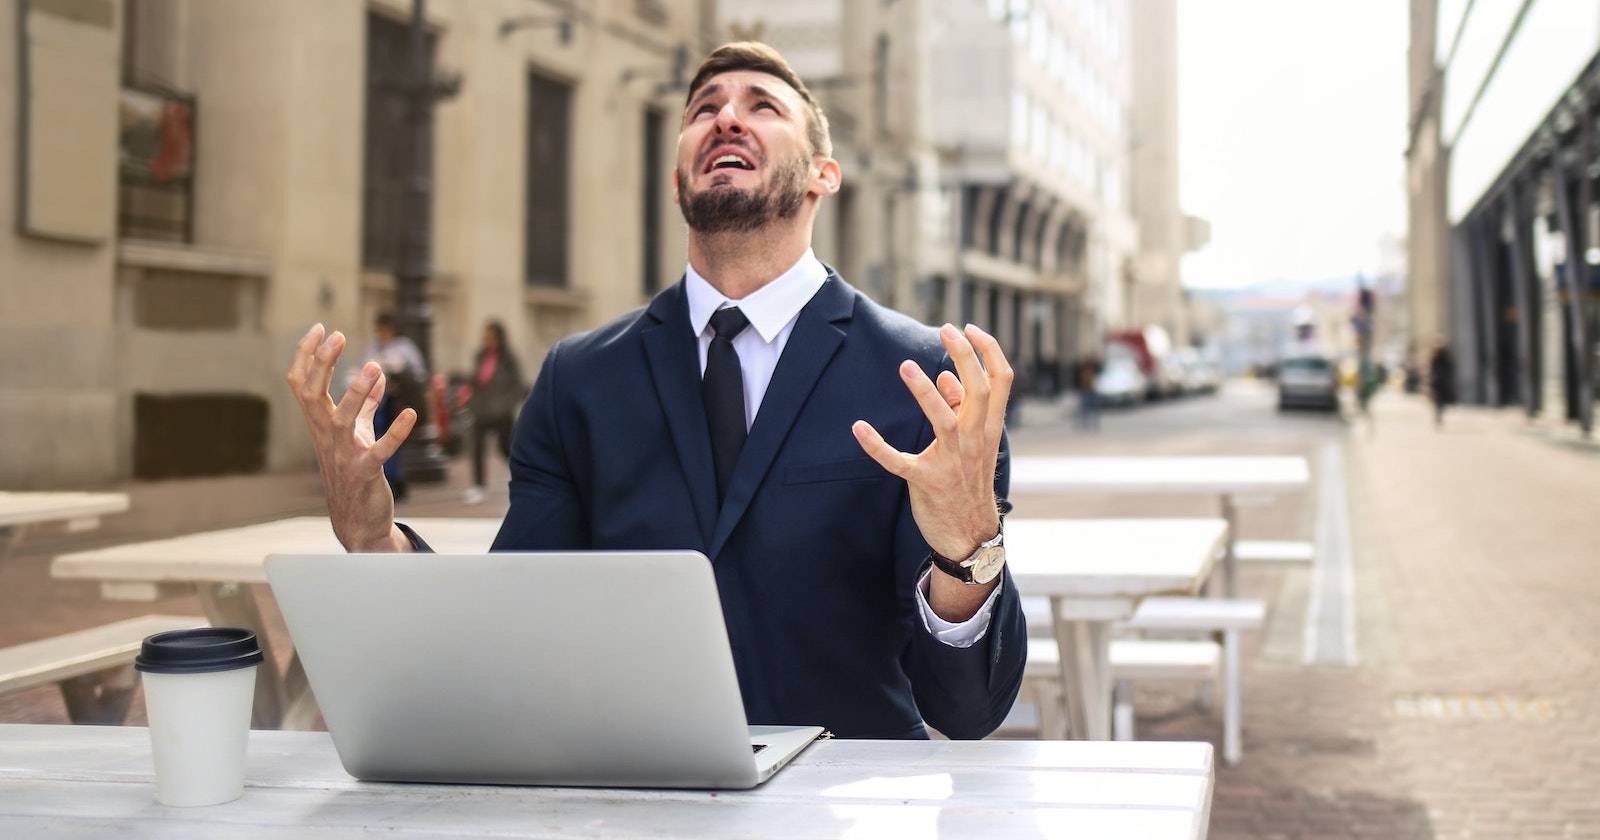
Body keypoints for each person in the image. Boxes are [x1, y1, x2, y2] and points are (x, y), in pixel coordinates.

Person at [285, 43, 1026, 740]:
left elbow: (965, 708)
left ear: (822, 176)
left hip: (842, 805)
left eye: (762, 105)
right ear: (677, 181)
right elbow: (509, 631)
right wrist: (372, 540)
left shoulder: (929, 380)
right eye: (704, 108)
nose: (726, 116)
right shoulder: (579, 379)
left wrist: (968, 546)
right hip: (633, 797)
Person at [356, 312, 426, 501]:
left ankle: (395, 480)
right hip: (377, 402)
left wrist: (400, 376)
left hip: (396, 401)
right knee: (377, 438)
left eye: (384, 328)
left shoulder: (404, 348)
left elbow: (418, 373)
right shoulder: (372, 349)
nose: (381, 333)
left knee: (394, 438)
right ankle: (380, 479)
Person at [460, 321, 526, 505]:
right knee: (477, 448)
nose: (487, 340)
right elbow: (475, 381)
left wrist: (506, 405)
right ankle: (478, 486)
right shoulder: (480, 356)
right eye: (485, 336)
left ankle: (522, 481)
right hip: (481, 411)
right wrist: (471, 401)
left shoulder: (509, 359)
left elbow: (518, 386)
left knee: (506, 449)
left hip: (502, 413)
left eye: (490, 336)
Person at [1428, 340, 1456, 429]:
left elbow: (1449, 370)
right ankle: (1439, 414)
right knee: (1439, 401)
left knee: (1440, 401)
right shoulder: (1436, 358)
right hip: (1439, 383)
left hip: (1440, 383)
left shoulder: (1444, 359)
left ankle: (1439, 414)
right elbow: (1432, 370)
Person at [1075, 355, 1101, 431]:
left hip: (1092, 390)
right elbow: (1078, 380)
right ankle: (1085, 423)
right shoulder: (1082, 370)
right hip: (1085, 390)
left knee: (1093, 408)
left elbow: (1099, 370)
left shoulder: (1094, 370)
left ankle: (1094, 423)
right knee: (1084, 408)